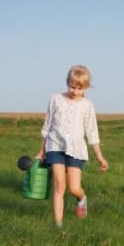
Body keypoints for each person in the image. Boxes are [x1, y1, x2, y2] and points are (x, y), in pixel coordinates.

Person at [35, 65, 109, 228]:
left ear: (86, 87)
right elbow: (47, 127)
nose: (75, 91)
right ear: (67, 82)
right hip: (55, 146)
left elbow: (92, 132)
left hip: (77, 150)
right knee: (59, 186)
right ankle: (58, 225)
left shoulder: (87, 105)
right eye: (72, 86)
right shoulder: (55, 99)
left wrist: (99, 156)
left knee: (74, 188)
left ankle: (81, 199)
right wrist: (42, 151)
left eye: (79, 88)